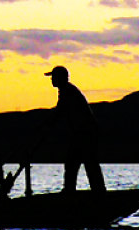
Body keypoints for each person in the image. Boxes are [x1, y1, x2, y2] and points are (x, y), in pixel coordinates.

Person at [45, 65, 106, 194]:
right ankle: (91, 191)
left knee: (81, 163)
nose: (52, 80)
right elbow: (60, 112)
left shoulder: (68, 91)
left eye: (54, 77)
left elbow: (59, 112)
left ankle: (90, 192)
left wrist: (45, 125)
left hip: (85, 134)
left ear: (61, 78)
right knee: (77, 163)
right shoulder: (66, 90)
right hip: (81, 134)